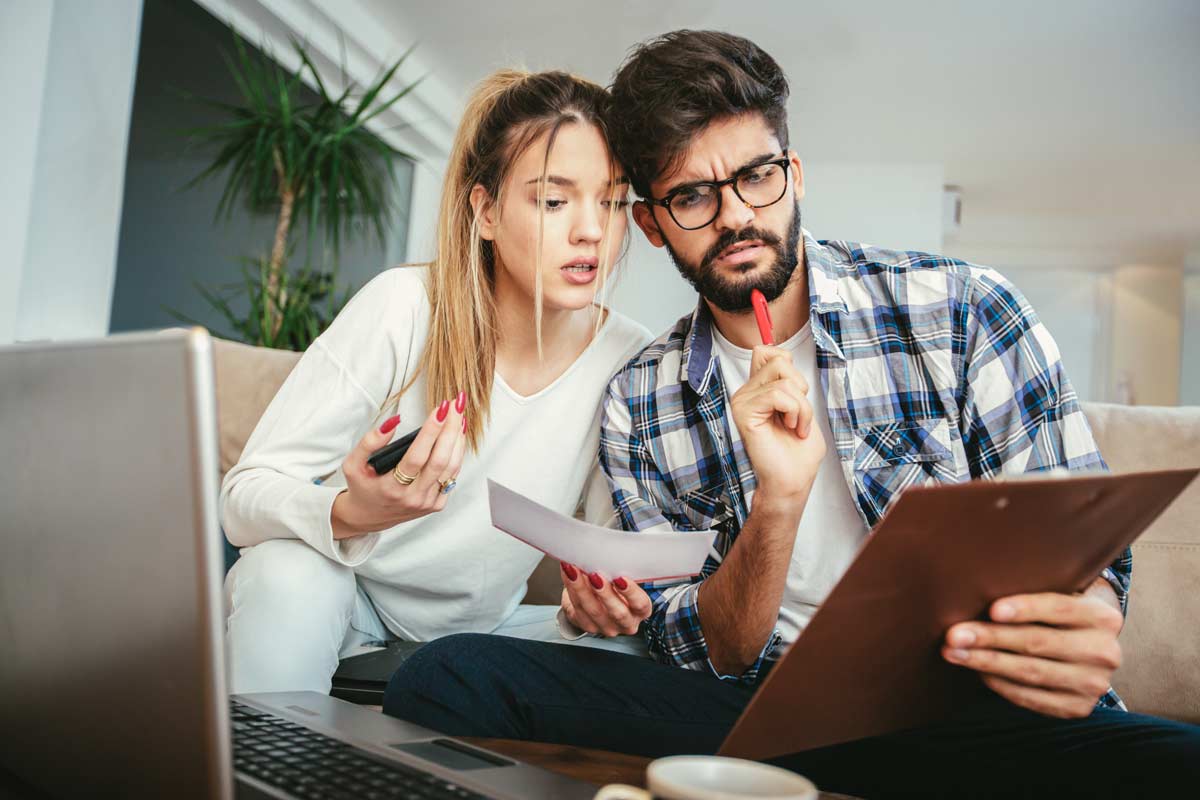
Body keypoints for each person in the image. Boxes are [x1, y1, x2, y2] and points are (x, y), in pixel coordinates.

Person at [383, 31, 1200, 797]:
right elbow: (711, 649)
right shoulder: (639, 399)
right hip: (760, 717)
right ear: (652, 223)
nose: (736, 215)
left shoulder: (962, 309)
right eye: (693, 196)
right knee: (446, 676)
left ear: (795, 173)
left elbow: (1086, 549)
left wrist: (1086, 625)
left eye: (757, 177)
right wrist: (778, 504)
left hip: (979, 714)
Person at [220, 69, 652, 695]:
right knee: (288, 572)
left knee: (651, 652)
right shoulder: (405, 305)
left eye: (612, 201)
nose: (592, 230)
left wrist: (593, 605)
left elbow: (607, 554)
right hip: (350, 605)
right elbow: (244, 496)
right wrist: (353, 511)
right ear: (485, 211)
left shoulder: (630, 356)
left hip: (486, 636)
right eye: (554, 201)